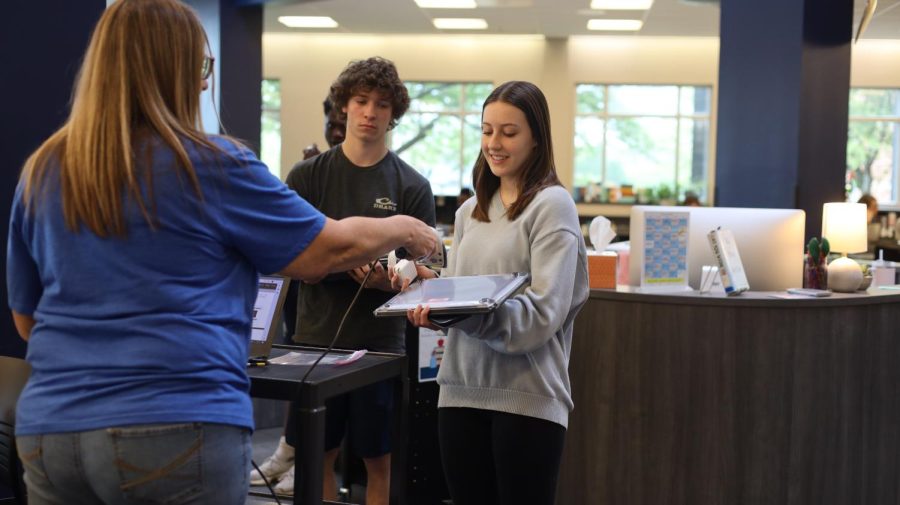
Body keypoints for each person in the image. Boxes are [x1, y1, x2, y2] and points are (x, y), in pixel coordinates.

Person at [5, 2, 436, 504]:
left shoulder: (45, 167)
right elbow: (322, 252)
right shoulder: (212, 165)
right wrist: (403, 225)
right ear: (176, 71)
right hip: (173, 424)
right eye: (202, 68)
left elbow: (26, 320)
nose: (205, 84)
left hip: (50, 430)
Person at [251, 56, 436, 503]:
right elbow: (288, 255)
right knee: (319, 454)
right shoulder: (307, 177)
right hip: (314, 341)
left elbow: (429, 276)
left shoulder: (411, 186)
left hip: (379, 345)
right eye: (361, 100)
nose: (370, 112)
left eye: (381, 104)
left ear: (394, 114)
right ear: (343, 107)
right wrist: (339, 261)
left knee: (379, 460)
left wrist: (385, 280)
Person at [407, 81, 589, 505]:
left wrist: (466, 314)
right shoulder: (470, 211)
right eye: (488, 131)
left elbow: (543, 314)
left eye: (509, 132)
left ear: (537, 139)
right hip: (458, 391)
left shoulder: (552, 206)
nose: (495, 143)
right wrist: (429, 294)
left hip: (527, 400)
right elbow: (461, 291)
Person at [283, 97, 347, 340]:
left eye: (343, 125)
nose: (338, 133)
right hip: (306, 306)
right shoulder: (306, 173)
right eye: (332, 126)